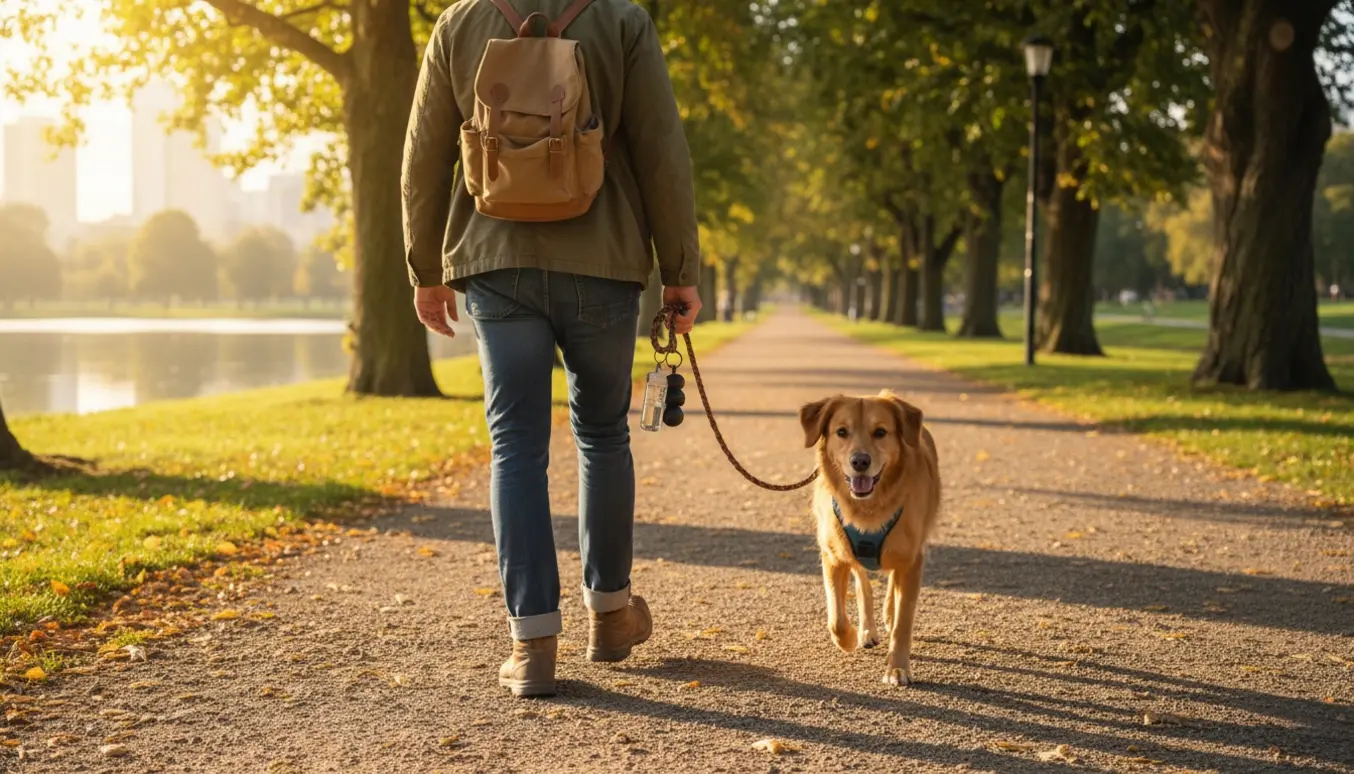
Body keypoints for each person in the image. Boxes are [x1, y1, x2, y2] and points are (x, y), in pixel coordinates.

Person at [401, 0, 701, 698]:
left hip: (495, 258)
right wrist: (680, 270)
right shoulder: (622, 20)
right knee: (601, 436)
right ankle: (609, 616)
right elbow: (662, 147)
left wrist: (423, 267)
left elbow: (423, 151)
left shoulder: (460, 21)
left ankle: (532, 640)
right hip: (604, 259)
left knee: (515, 449)